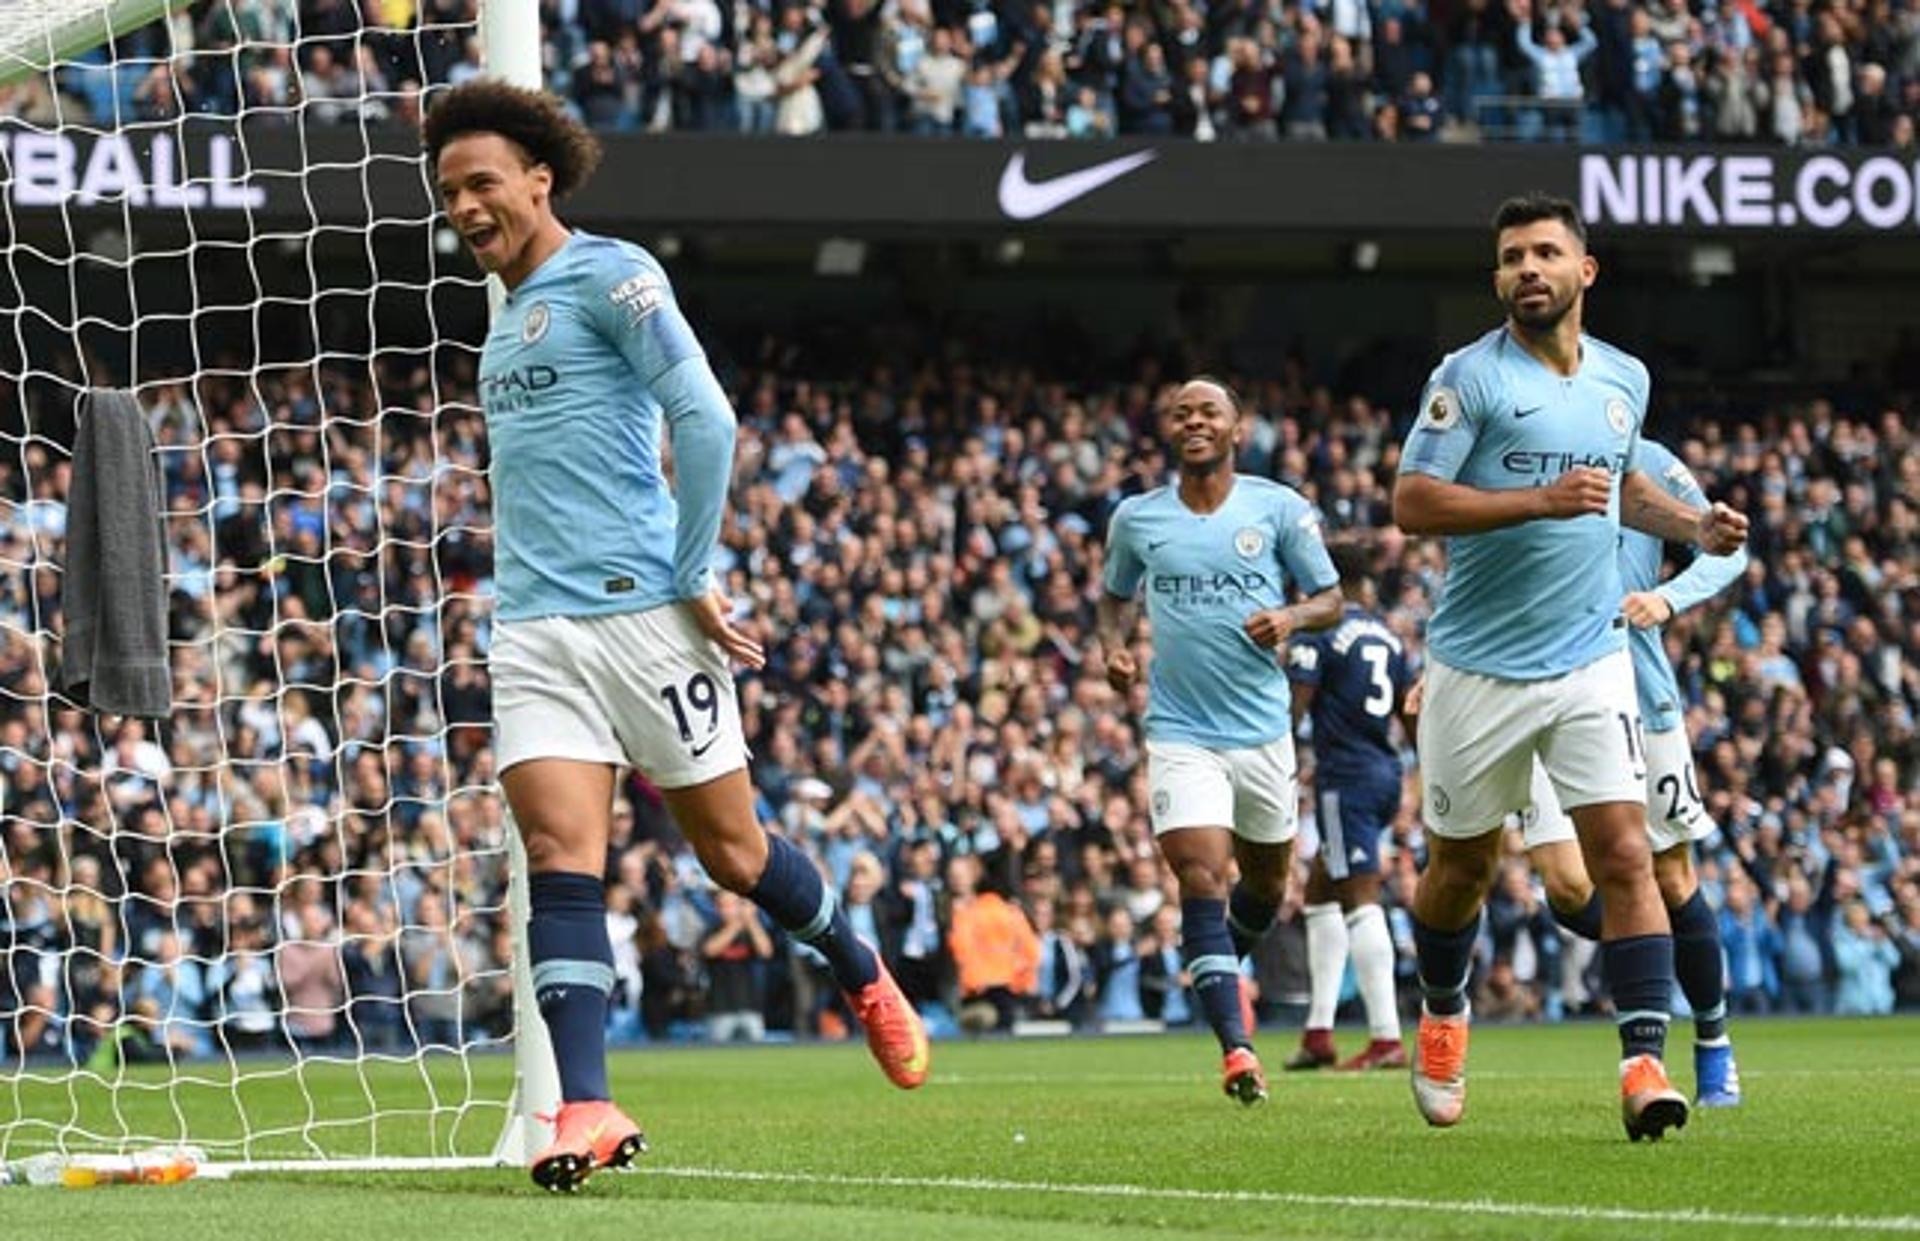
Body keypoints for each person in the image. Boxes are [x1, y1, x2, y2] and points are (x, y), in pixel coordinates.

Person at [422, 80, 928, 1191]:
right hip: (538, 625)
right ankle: (588, 1102)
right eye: (449, 188)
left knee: (733, 853)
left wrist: (693, 568)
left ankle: (855, 959)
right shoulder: (504, 321)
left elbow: (707, 415)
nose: (464, 204)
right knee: (560, 854)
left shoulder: (613, 274)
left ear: (539, 180)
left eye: (483, 182)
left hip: (645, 612)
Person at [1392, 193, 1747, 1141]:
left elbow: (1626, 486)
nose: (1527, 269)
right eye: (1511, 257)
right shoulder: (1466, 378)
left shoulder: (1623, 378)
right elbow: (1413, 503)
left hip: (1593, 662)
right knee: (1461, 868)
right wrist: (1537, 503)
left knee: (1628, 855)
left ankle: (1643, 1064)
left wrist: (1692, 525)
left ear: (1585, 270)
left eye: (1546, 252)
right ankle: (1441, 1006)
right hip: (1478, 669)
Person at [1098, 376, 1344, 1105]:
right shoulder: (1138, 519)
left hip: (1264, 733)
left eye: (1209, 412)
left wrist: (1291, 619)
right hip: (1181, 731)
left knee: (1266, 887)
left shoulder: (1278, 509)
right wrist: (1116, 648)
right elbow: (1115, 597)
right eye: (1182, 413)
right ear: (1168, 431)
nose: (1195, 421)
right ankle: (1237, 1050)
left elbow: (1333, 598)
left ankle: (1213, 965)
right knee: (1202, 876)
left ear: (1238, 429)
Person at [1518, 436, 1751, 1108]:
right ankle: (1653, 952)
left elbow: (1728, 549)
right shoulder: (1521, 449)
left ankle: (1712, 1037)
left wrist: (1667, 600)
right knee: (1565, 886)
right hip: (1538, 691)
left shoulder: (1642, 457)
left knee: (1672, 874)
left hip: (1640, 700)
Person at [1283, 540, 1415, 1072]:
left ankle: (1385, 1036)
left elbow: (1294, 709)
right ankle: (1319, 1031)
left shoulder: (1320, 631)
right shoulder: (1388, 636)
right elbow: (1409, 715)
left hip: (1347, 779)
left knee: (1360, 896)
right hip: (1385, 772)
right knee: (1321, 889)